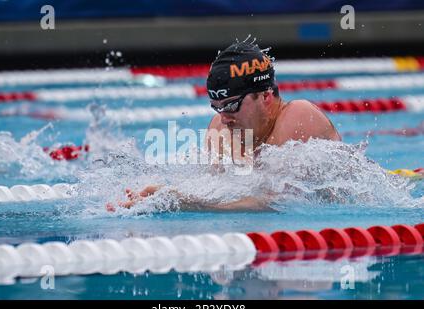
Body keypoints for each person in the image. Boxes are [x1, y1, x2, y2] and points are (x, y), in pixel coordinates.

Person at [108, 39, 341, 212]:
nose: (224, 117)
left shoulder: (298, 117)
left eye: (231, 105)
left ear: (265, 97)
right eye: (217, 107)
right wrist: (166, 195)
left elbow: (277, 202)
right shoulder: (221, 129)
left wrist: (187, 204)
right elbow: (218, 190)